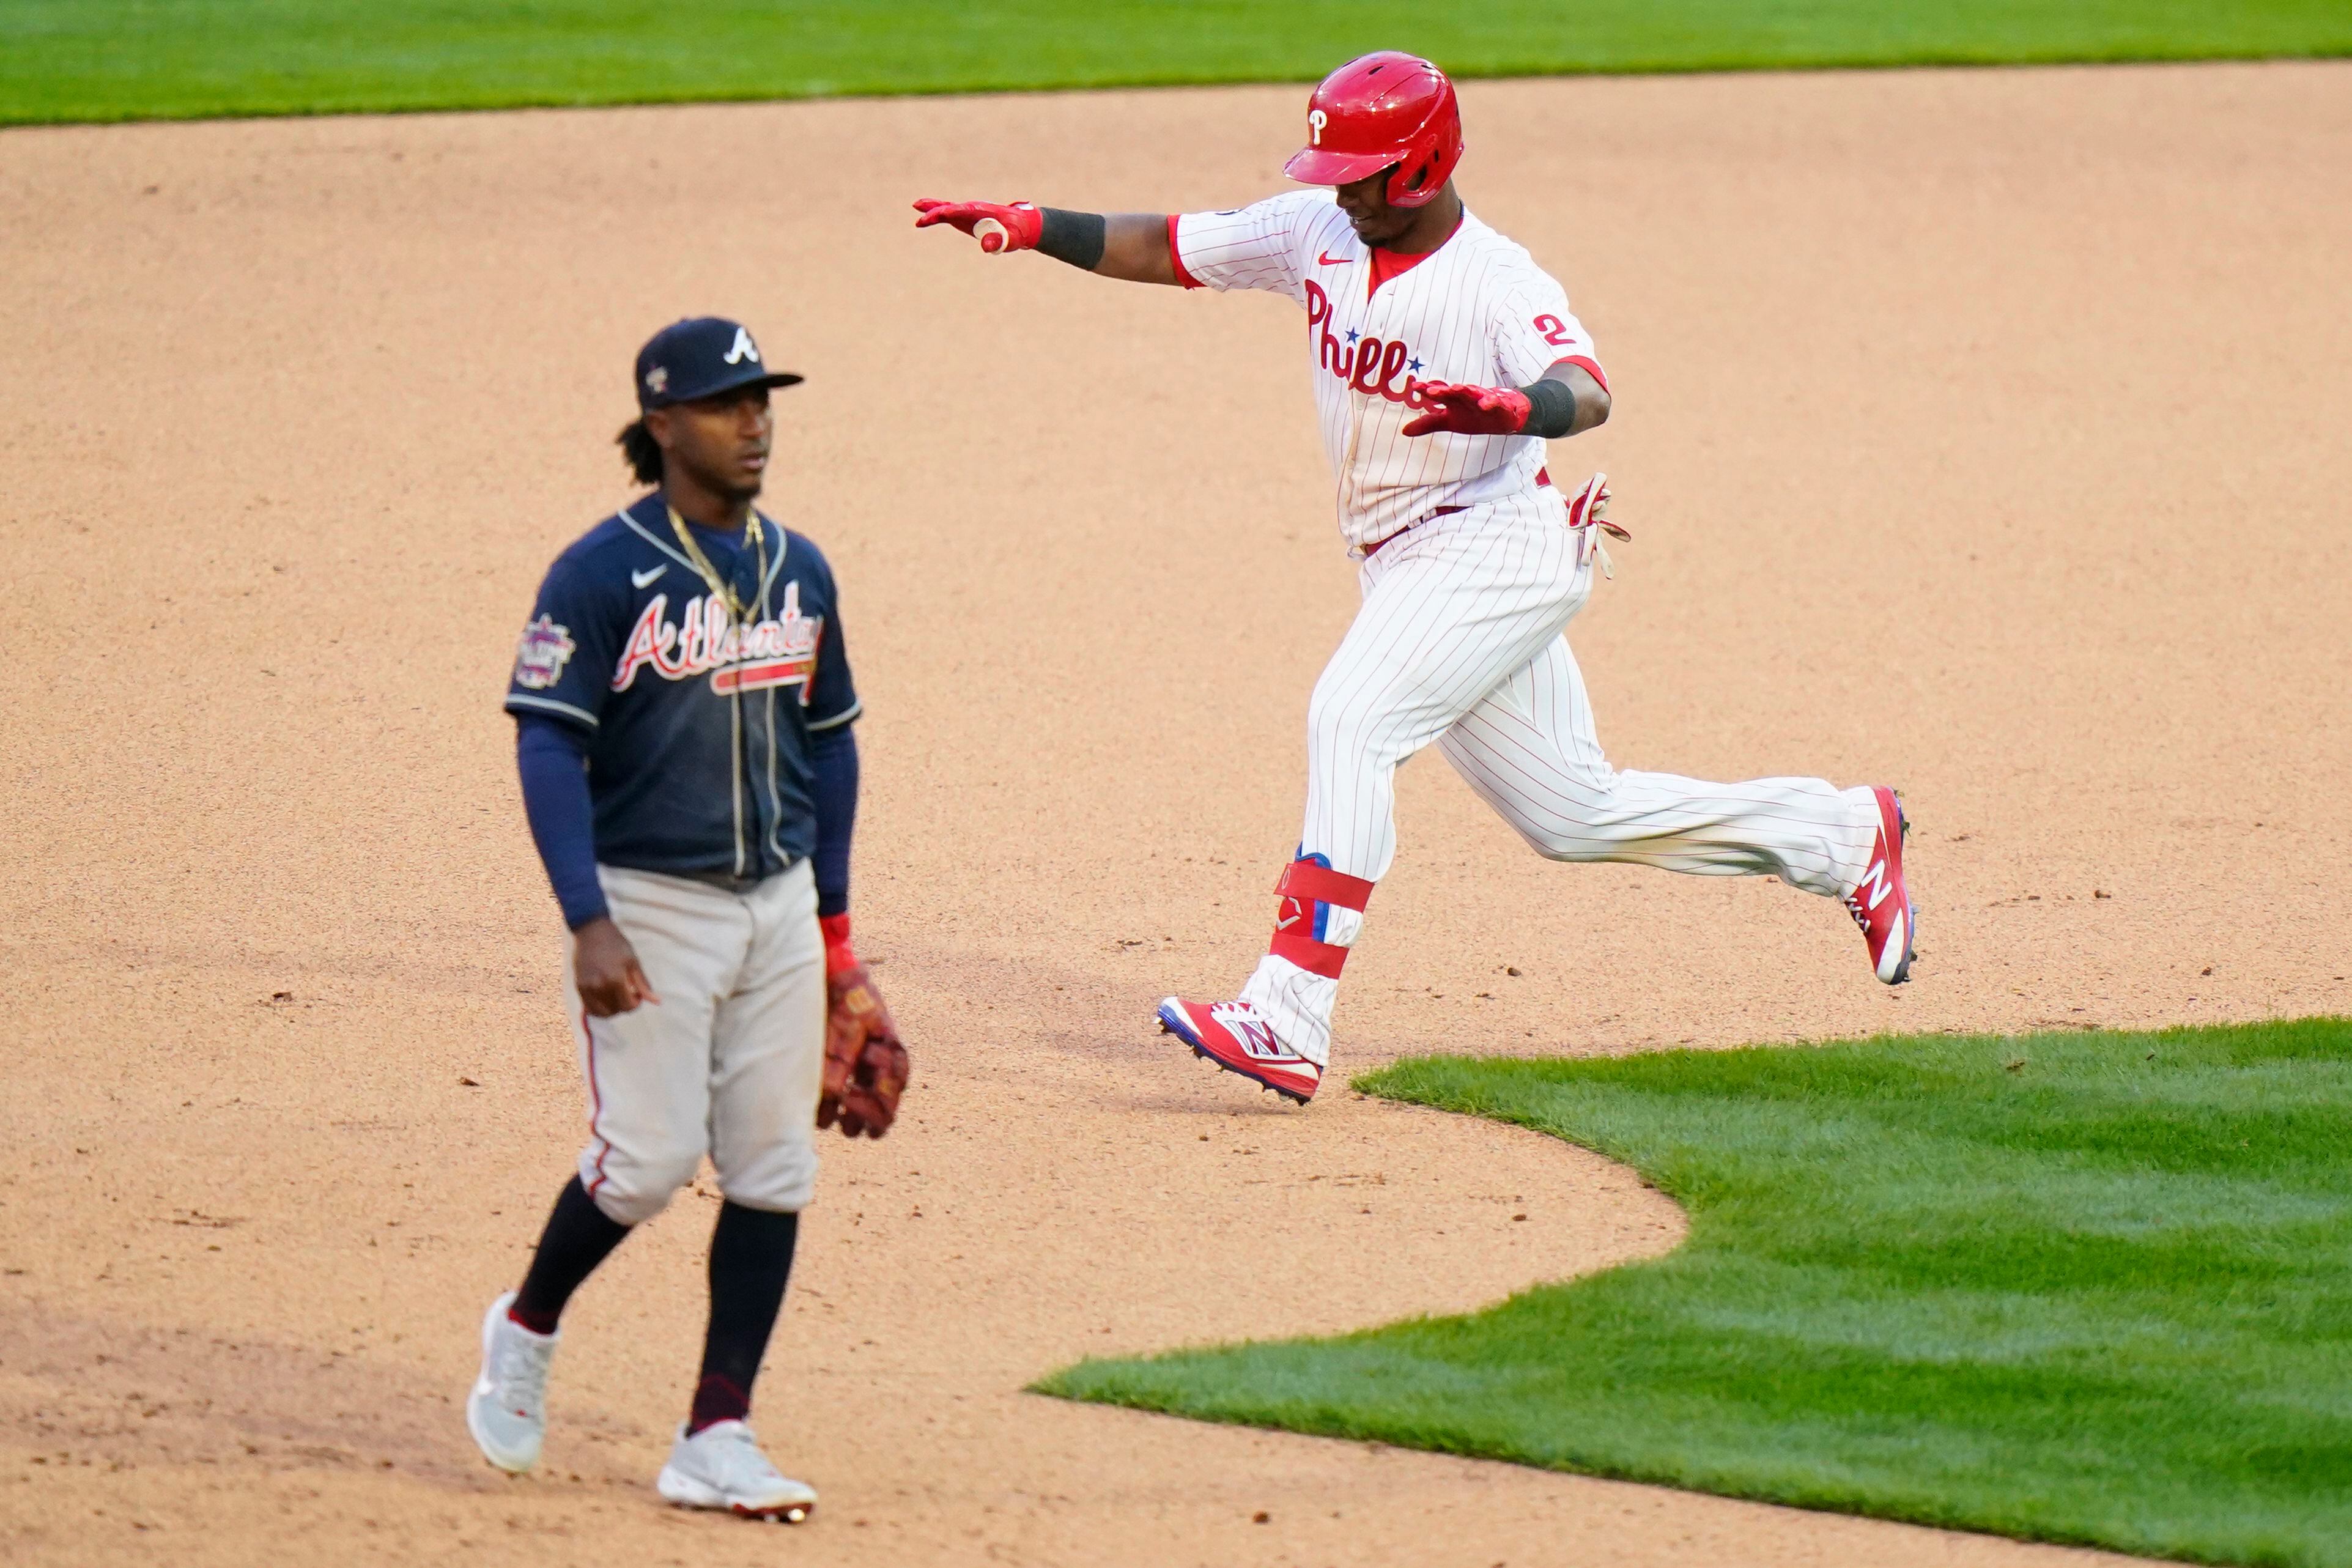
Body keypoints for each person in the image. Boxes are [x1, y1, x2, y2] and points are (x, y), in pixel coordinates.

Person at [914, 52, 1913, 1106]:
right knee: (1574, 814)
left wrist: (1519, 410)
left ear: (1423, 169)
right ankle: (1840, 835)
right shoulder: (1319, 232)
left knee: (1350, 718)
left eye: (1359, 173)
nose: (1338, 190)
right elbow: (1168, 245)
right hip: (1409, 563)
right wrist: (1034, 227)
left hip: (1497, 542)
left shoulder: (1496, 278)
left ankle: (1287, 1012)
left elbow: (1587, 384)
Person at [467, 316, 907, 1519]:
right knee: (646, 1161)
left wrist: (835, 935)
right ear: (664, 424)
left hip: (771, 905)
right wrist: (586, 918)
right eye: (726, 403)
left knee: (775, 1164)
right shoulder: (599, 573)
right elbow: (549, 740)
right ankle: (526, 1325)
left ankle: (718, 1432)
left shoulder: (801, 567)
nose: (754, 422)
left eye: (762, 399)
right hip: (648, 907)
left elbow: (832, 749)